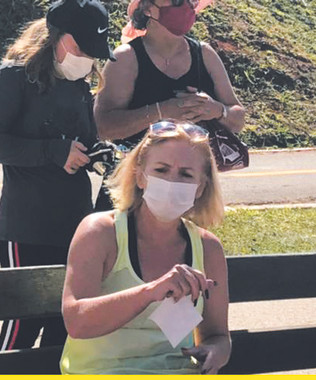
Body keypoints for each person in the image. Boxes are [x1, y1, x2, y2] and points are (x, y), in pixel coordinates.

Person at [0, 0, 115, 351]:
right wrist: (52, 151)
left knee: (64, 326)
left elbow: (80, 139)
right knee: (22, 324)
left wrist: (97, 153)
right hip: (26, 228)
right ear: (59, 38)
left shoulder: (79, 82)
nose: (87, 59)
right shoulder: (15, 76)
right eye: (82, 48)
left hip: (74, 225)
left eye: (94, 52)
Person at [60, 121, 231, 374]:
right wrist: (152, 291)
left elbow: (218, 336)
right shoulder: (100, 231)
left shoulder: (208, 248)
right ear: (140, 176)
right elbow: (77, 322)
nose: (172, 182)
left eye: (186, 174)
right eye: (161, 170)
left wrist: (215, 352)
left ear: (201, 188)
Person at [93, 0, 246, 211]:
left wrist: (216, 110)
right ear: (147, 8)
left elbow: (238, 118)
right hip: (131, 192)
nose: (185, 7)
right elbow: (103, 126)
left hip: (188, 193)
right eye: (176, 2)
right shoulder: (126, 58)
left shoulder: (205, 55)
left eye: (190, 2)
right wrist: (161, 111)